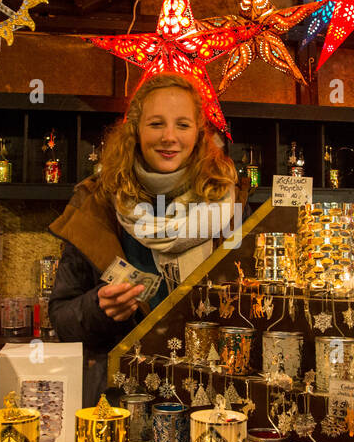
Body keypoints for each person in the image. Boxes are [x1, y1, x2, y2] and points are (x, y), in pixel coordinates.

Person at [49, 73, 245, 403]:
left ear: (199, 132)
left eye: (182, 125)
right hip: (121, 399)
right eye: (156, 124)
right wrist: (99, 308)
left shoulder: (230, 204)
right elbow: (62, 319)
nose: (169, 137)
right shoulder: (99, 203)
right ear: (136, 131)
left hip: (210, 398)